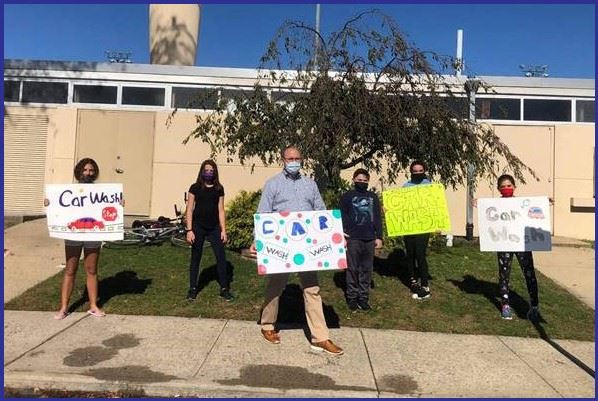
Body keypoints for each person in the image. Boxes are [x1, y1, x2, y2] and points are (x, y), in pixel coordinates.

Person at [250, 146, 344, 356]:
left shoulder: (310, 185)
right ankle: (267, 325)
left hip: (307, 247)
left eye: (297, 158)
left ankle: (321, 337)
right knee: (275, 286)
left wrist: (335, 234)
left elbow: (320, 212)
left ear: (302, 160)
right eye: (290, 158)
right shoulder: (272, 184)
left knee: (312, 289)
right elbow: (263, 213)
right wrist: (257, 240)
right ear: (283, 159)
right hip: (281, 246)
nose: (294, 161)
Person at [50, 158, 106, 319]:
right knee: (70, 269)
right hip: (73, 234)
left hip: (93, 235)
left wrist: (119, 202)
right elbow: (57, 205)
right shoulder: (70, 190)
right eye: (85, 170)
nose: (88, 173)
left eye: (91, 170)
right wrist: (50, 202)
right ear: (79, 171)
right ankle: (64, 308)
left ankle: (94, 305)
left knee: (91, 270)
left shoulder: (102, 192)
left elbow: (107, 208)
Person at [493, 174, 541, 321]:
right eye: (503, 186)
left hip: (522, 243)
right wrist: (480, 205)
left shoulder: (522, 204)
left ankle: (534, 306)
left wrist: (543, 204)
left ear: (514, 187)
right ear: (498, 189)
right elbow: (489, 217)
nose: (506, 188)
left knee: (529, 274)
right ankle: (505, 306)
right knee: (504, 274)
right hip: (504, 243)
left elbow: (534, 210)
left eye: (509, 185)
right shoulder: (495, 206)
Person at [185, 159, 234, 302]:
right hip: (198, 227)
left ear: (215, 172)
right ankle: (193, 288)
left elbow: (221, 210)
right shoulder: (195, 188)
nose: (208, 173)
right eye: (206, 170)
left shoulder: (219, 189)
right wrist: (189, 230)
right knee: (196, 257)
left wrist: (223, 230)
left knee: (221, 257)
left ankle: (224, 289)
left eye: (211, 171)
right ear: (202, 171)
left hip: (214, 228)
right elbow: (189, 209)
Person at [340, 168, 383, 312]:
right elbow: (342, 216)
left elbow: (377, 217)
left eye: (365, 181)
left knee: (366, 269)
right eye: (359, 180)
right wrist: (342, 235)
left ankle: (363, 298)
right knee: (352, 268)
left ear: (368, 182)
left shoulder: (373, 197)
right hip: (352, 238)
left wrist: (379, 237)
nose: (362, 182)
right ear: (353, 180)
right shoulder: (347, 196)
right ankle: (352, 297)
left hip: (370, 238)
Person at [402, 160, 433, 300]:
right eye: (415, 171)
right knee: (410, 254)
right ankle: (413, 280)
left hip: (423, 226)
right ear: (411, 172)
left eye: (421, 171)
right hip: (408, 225)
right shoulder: (405, 186)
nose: (418, 173)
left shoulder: (430, 186)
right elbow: (400, 206)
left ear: (424, 171)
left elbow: (435, 206)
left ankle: (425, 283)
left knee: (420, 254)